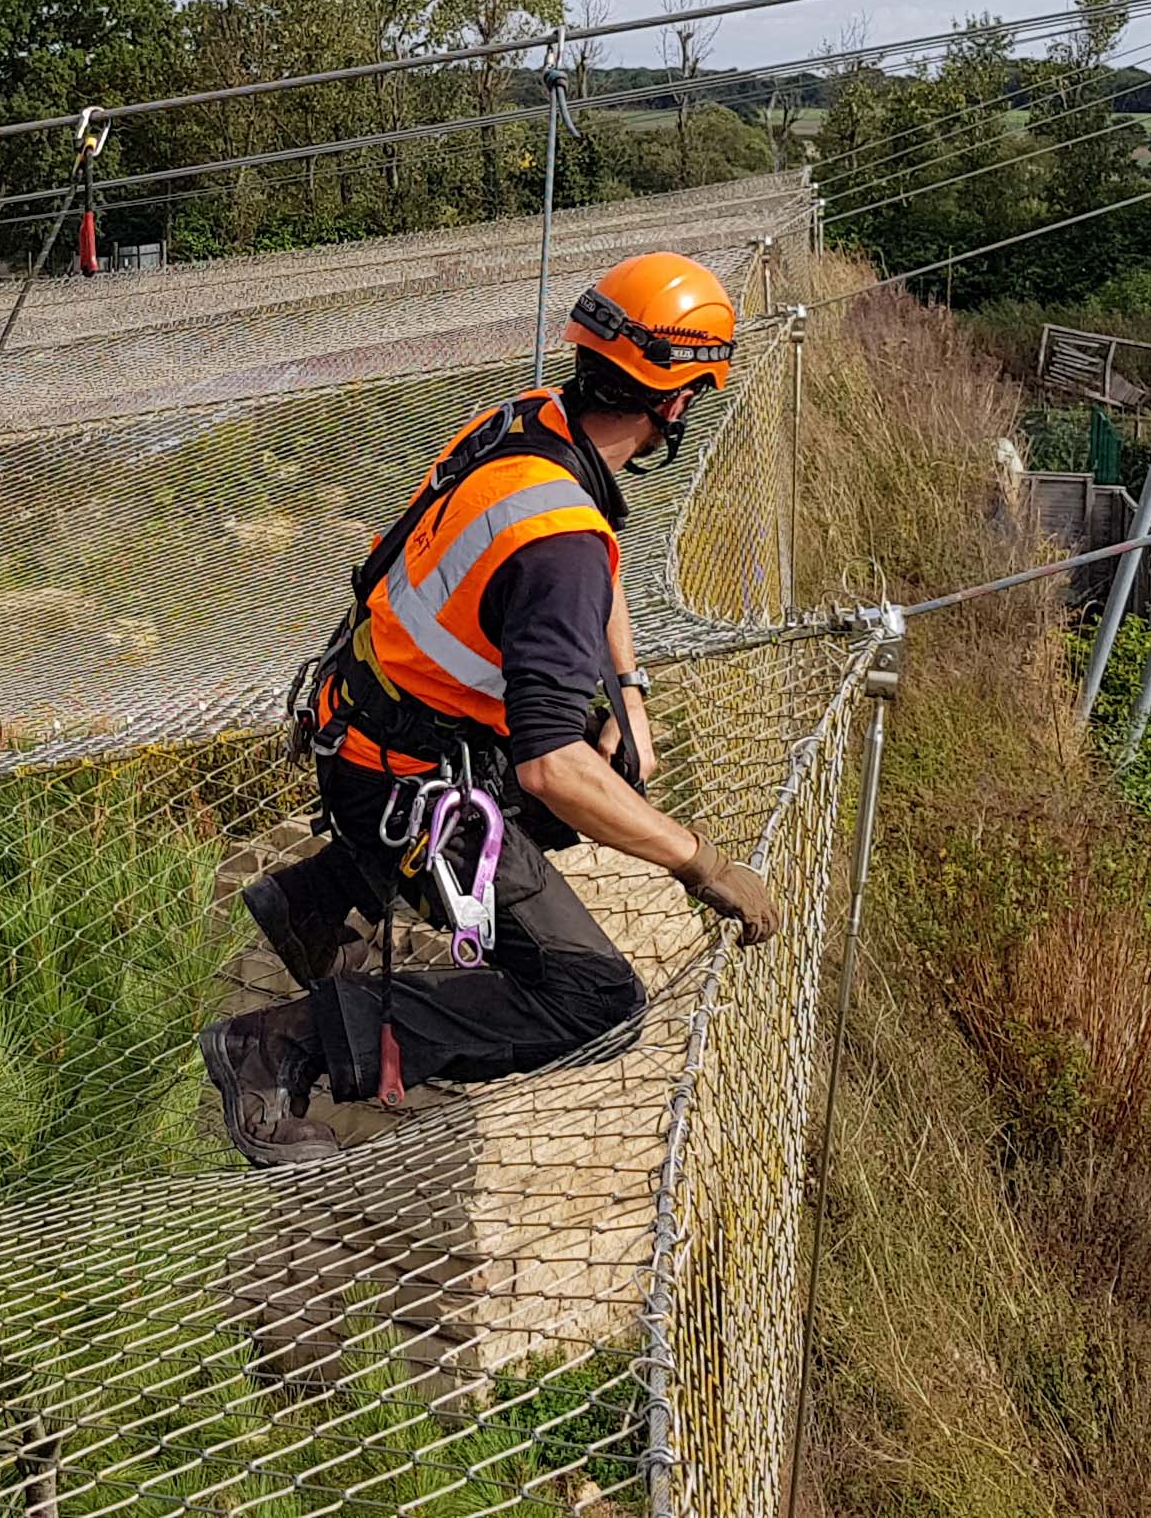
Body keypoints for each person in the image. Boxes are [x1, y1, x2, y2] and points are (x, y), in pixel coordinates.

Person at [202, 251, 784, 1163]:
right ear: (677, 401)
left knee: (594, 785)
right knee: (595, 1000)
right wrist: (702, 864)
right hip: (403, 782)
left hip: (363, 721)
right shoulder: (564, 547)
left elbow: (596, 550)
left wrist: (625, 697)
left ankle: (314, 901)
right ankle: (279, 1047)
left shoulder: (528, 426)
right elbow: (552, 762)